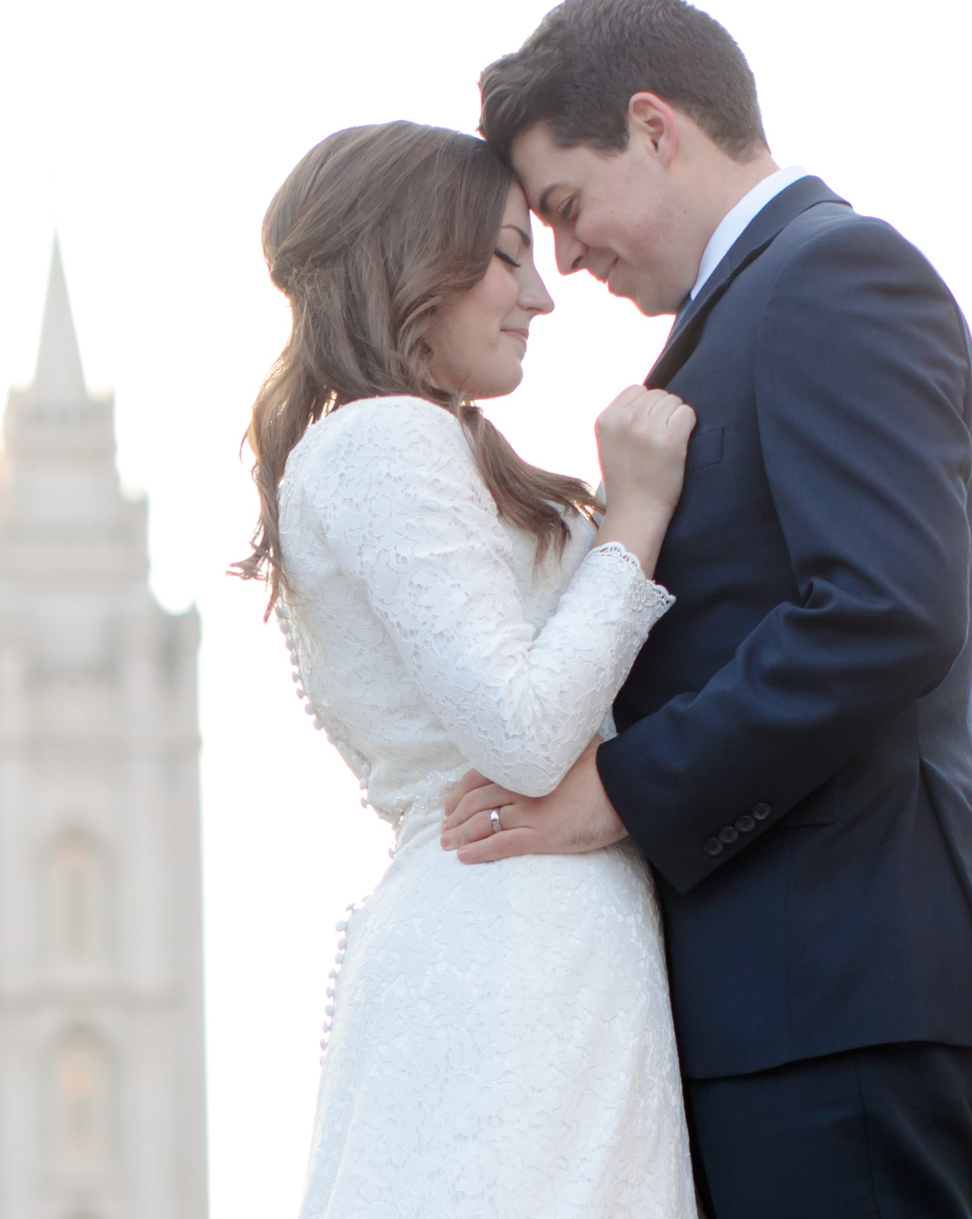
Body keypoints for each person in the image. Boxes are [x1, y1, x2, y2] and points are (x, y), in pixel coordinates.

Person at [441, 0, 972, 1219]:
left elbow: (881, 610)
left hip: (835, 988)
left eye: (565, 207)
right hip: (776, 998)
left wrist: (620, 791)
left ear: (655, 127)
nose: (565, 259)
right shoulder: (754, 307)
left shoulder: (833, 276)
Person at [240, 120, 700, 1217]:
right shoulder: (383, 438)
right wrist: (635, 514)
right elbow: (526, 733)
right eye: (505, 255)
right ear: (407, 259)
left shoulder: (396, 444)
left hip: (526, 940)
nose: (538, 295)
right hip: (515, 950)